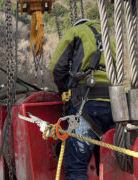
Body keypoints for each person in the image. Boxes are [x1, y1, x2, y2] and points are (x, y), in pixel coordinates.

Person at [50, 19, 116, 180]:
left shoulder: (76, 32)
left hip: (85, 104)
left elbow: (57, 67)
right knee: (108, 165)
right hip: (114, 106)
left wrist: (64, 90)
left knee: (76, 165)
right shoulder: (110, 37)